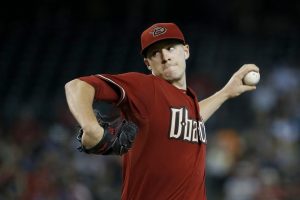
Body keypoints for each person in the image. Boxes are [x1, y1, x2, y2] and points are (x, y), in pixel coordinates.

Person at [65, 22, 259, 200]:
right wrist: (91, 126)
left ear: (185, 51)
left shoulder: (188, 99)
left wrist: (225, 93)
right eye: (155, 53)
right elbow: (77, 86)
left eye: (170, 48)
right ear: (148, 64)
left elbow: (193, 116)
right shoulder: (146, 87)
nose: (165, 56)